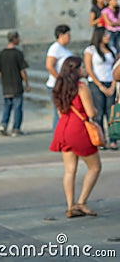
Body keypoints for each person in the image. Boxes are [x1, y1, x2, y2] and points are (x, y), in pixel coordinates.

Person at [50, 56, 102, 218]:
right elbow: (91, 112)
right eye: (82, 68)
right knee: (95, 167)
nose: (84, 70)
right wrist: (94, 109)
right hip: (79, 130)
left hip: (64, 128)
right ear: (76, 70)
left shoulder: (59, 87)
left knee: (69, 170)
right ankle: (82, 202)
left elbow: (60, 112)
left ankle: (70, 205)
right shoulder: (81, 88)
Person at [84, 27, 118, 150]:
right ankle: (100, 139)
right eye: (105, 35)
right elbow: (89, 69)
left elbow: (115, 68)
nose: (107, 37)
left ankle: (113, 139)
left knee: (111, 113)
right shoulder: (90, 50)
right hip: (96, 84)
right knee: (99, 113)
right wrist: (100, 85)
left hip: (110, 81)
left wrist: (113, 84)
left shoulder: (112, 50)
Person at [0, 31, 30, 137]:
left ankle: (4, 124)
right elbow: (22, 71)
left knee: (7, 106)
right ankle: (16, 128)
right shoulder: (18, 53)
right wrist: (27, 83)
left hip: (6, 85)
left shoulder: (2, 53)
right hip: (16, 85)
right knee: (17, 107)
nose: (19, 40)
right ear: (14, 39)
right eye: (18, 38)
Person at [45, 25, 72, 131]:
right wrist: (60, 79)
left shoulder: (63, 49)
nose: (69, 37)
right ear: (61, 35)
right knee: (59, 112)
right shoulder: (55, 48)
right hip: (57, 85)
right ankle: (57, 138)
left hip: (65, 85)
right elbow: (49, 66)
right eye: (68, 35)